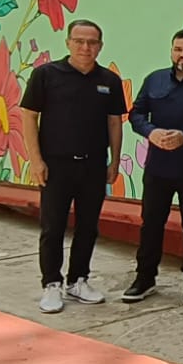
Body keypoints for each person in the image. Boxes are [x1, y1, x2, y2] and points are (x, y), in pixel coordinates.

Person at [18, 19, 127, 313]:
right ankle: (51, 284)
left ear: (100, 46)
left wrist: (114, 161)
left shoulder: (109, 80)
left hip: (93, 165)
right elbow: (29, 116)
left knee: (88, 227)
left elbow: (115, 122)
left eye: (92, 42)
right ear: (68, 43)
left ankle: (78, 280)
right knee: (52, 226)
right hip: (55, 165)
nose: (85, 47)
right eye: (79, 41)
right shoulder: (46, 75)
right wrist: (35, 160)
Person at [123, 30, 183, 304]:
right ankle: (144, 278)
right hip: (158, 167)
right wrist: (151, 132)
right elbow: (136, 114)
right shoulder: (154, 79)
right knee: (151, 223)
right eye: (178, 49)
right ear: (171, 51)